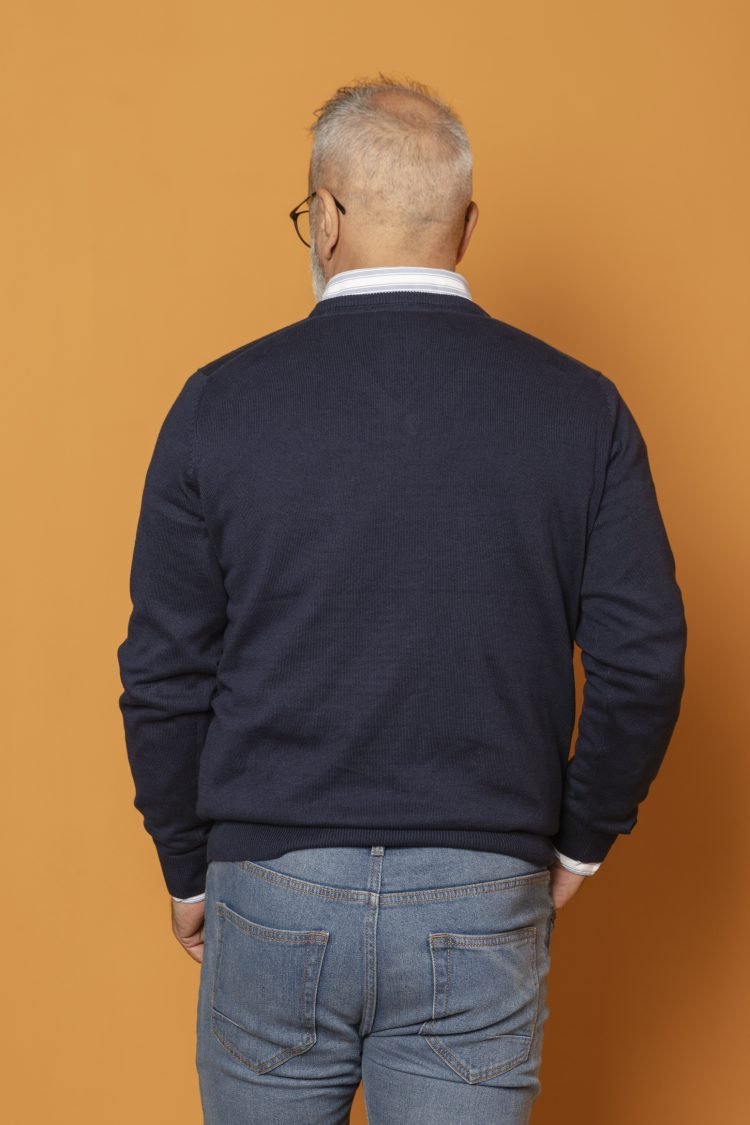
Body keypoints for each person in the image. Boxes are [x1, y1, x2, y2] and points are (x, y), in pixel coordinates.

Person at [116, 74, 687, 1124]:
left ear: (326, 219)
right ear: (464, 227)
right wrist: (579, 839)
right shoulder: (582, 409)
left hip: (270, 883)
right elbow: (643, 660)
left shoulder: (219, 404)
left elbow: (163, 674)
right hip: (483, 884)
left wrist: (188, 866)